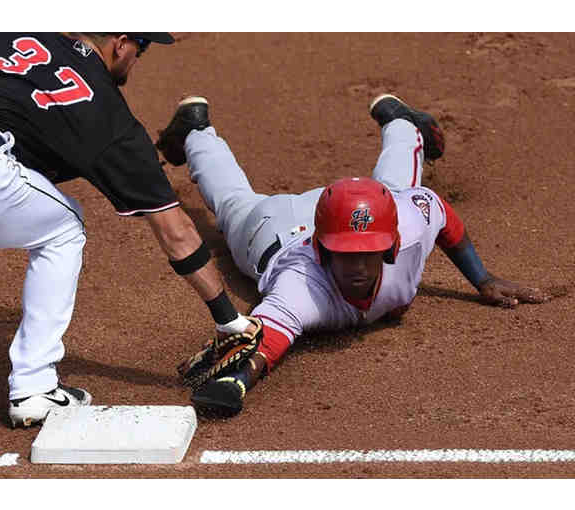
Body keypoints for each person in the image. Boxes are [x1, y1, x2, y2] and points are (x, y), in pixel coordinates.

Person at [0, 33, 256, 428]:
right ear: (121, 44)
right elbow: (177, 233)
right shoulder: (108, 114)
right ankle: (34, 387)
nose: (136, 60)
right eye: (142, 49)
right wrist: (229, 319)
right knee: (64, 228)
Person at [156, 93, 549, 416]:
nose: (358, 266)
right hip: (278, 226)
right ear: (322, 252)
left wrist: (483, 279)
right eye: (345, 255)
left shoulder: (409, 227)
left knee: (394, 191)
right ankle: (195, 131)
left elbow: (438, 210)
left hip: (353, 213)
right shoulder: (301, 286)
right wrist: (236, 382)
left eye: (370, 253)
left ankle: (398, 119)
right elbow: (267, 343)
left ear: (392, 247)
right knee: (234, 204)